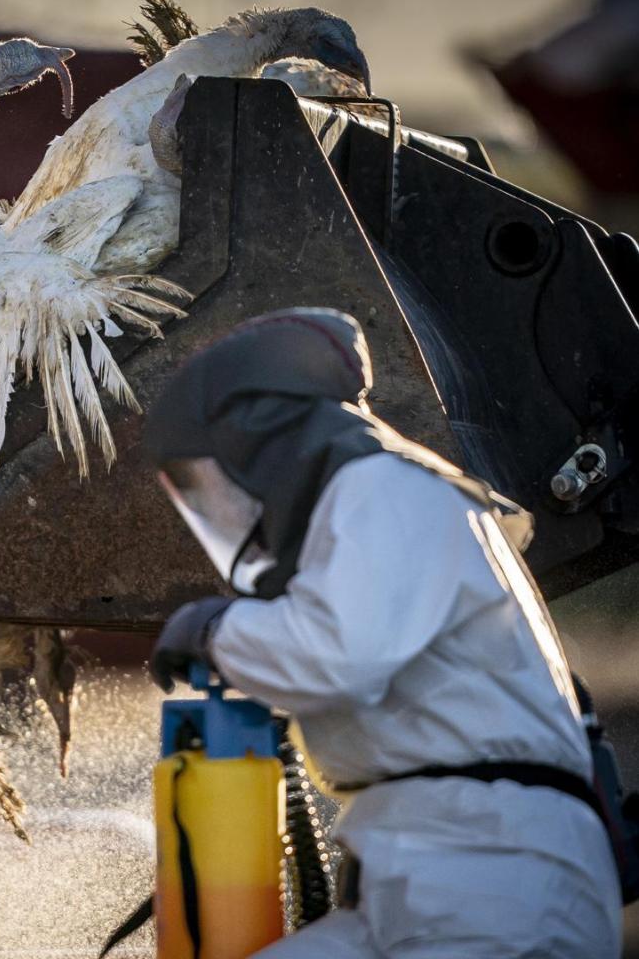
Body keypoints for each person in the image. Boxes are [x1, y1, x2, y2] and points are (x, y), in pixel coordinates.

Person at [140, 308, 622, 957]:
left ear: (267, 444)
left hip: (492, 886)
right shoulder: (370, 504)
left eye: (217, 485)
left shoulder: (382, 488)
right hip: (446, 878)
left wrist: (220, 632)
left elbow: (338, 655)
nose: (223, 516)